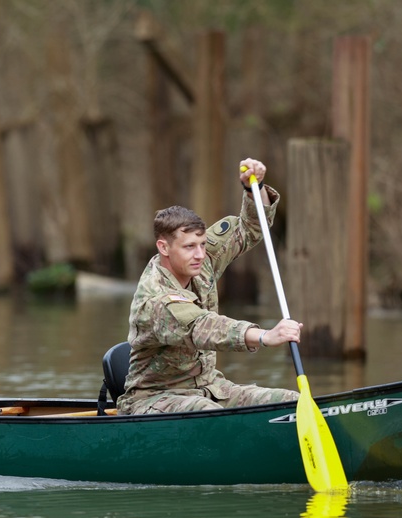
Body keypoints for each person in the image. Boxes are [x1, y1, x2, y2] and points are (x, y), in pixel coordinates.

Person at [117, 158, 302, 415]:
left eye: (202, 244)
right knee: (206, 412)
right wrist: (264, 336)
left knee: (293, 401)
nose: (200, 255)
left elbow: (248, 228)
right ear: (164, 248)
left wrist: (254, 189)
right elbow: (202, 327)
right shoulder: (156, 298)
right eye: (190, 247)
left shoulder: (201, 260)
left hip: (210, 388)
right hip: (155, 399)